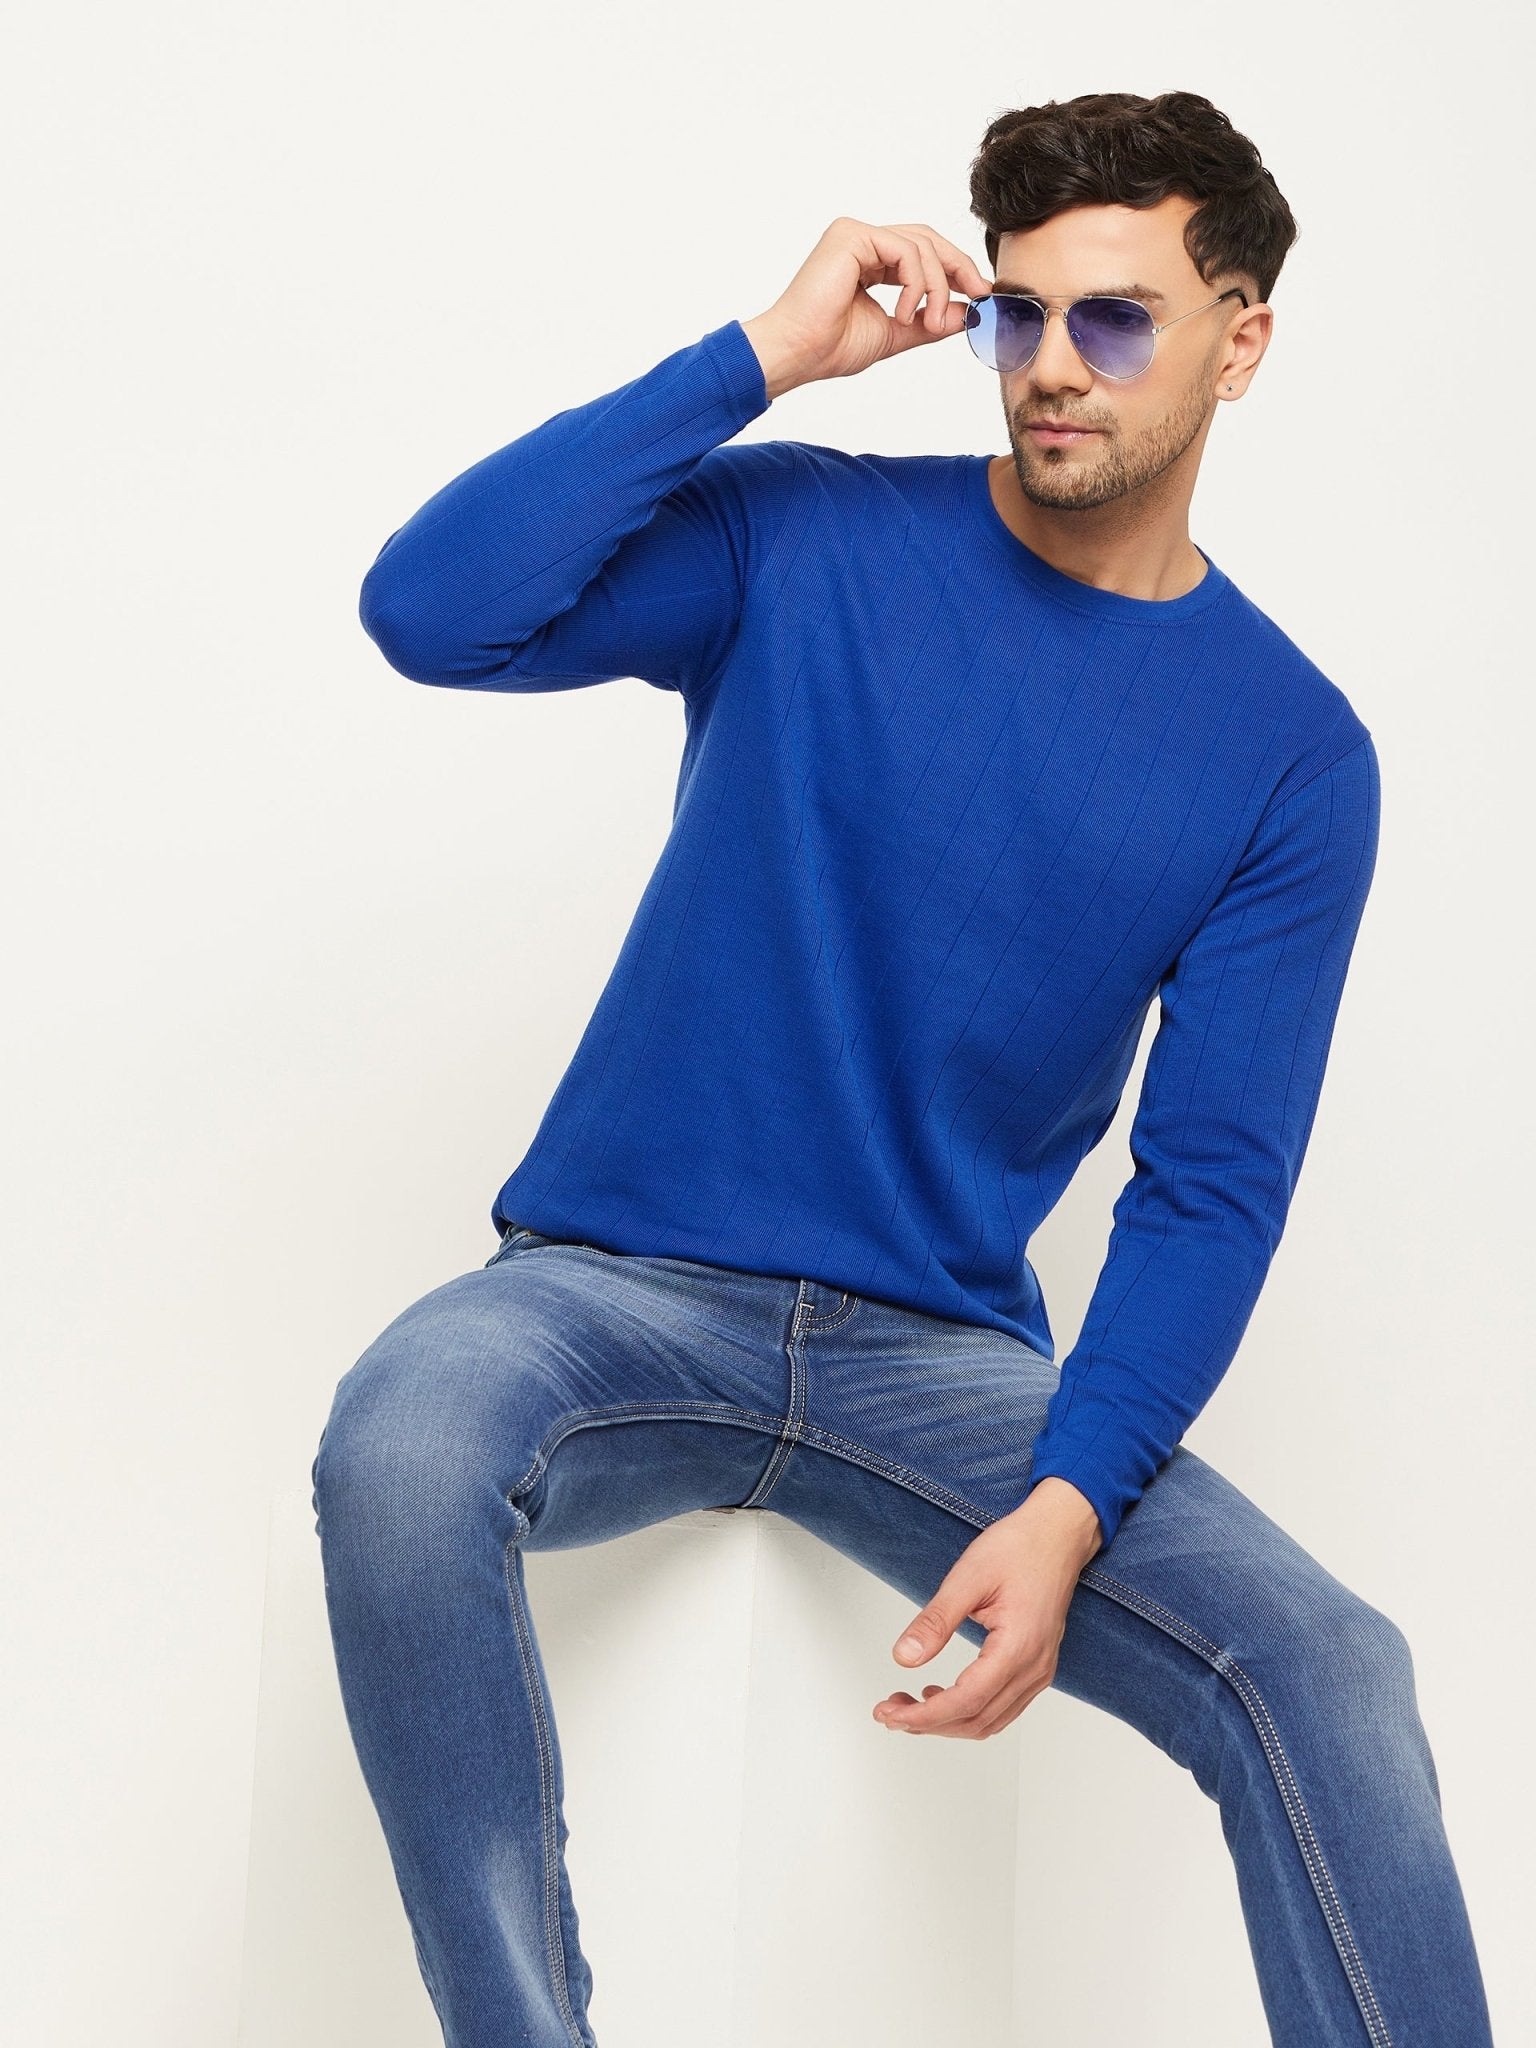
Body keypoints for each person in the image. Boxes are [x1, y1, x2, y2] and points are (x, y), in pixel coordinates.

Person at [312, 89, 1494, 2048]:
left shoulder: (1293, 753)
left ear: (1241, 340)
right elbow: (431, 610)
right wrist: (763, 357)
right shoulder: (808, 534)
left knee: (1328, 1667)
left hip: (936, 1369)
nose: (1051, 365)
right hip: (613, 1293)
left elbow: (1210, 1185)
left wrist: (1068, 1503)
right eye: (1017, 314)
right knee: (404, 1444)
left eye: (1113, 318)